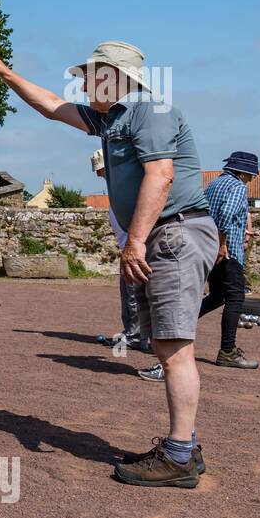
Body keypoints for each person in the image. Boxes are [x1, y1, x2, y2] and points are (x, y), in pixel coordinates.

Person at [0, 40, 216, 489]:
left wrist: (136, 241)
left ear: (116, 77)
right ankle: (185, 446)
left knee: (175, 346)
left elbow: (160, 175)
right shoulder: (111, 118)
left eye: (90, 75)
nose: (83, 82)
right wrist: (7, 74)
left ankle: (181, 455)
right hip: (164, 235)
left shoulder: (150, 110)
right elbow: (52, 106)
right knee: (164, 345)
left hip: (174, 232)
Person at [93, 150, 163, 381]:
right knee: (128, 294)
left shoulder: (129, 187)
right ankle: (134, 335)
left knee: (138, 296)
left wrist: (136, 246)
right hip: (128, 249)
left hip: (139, 251)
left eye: (101, 169)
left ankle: (146, 339)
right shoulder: (116, 190)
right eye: (98, 171)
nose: (100, 174)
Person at [199, 152, 259, 369]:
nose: (251, 179)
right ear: (242, 172)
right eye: (251, 175)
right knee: (236, 297)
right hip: (227, 252)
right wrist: (222, 243)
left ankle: (174, 330)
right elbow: (226, 215)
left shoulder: (214, 184)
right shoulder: (238, 187)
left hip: (209, 248)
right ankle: (227, 351)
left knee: (216, 296)